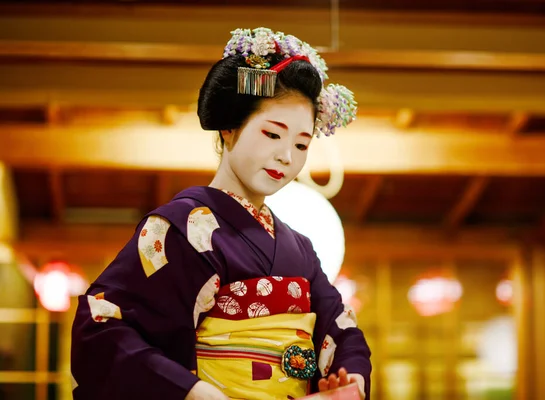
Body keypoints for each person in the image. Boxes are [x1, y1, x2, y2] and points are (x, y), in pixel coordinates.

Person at [70, 27, 371, 400]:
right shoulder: (178, 229)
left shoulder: (301, 248)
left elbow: (341, 329)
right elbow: (102, 324)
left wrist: (351, 382)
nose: (287, 157)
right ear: (229, 129)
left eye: (301, 144)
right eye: (273, 135)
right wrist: (194, 391)